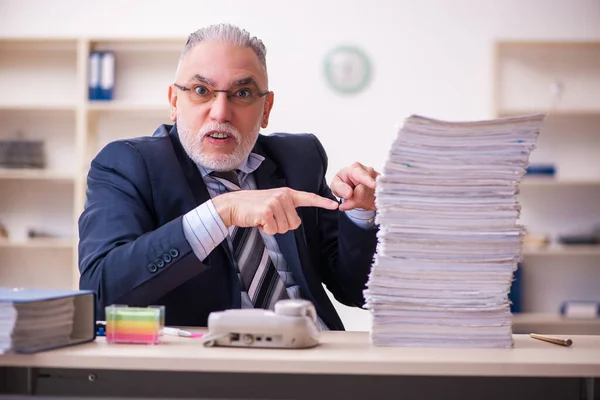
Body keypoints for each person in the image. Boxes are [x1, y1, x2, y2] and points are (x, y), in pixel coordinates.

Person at [78, 23, 379, 330]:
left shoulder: (300, 158)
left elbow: (358, 291)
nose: (220, 112)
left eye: (243, 93)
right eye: (201, 91)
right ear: (173, 102)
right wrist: (222, 212)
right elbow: (100, 295)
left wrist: (359, 213)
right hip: (211, 368)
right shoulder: (127, 164)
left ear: (266, 108)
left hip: (319, 355)